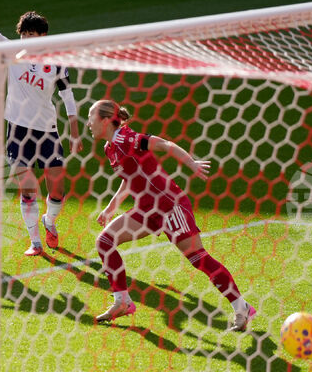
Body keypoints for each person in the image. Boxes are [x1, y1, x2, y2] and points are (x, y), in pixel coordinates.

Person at [86, 99, 257, 330]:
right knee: (105, 241)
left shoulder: (129, 138)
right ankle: (122, 301)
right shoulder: (110, 148)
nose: (88, 123)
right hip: (147, 209)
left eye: (91, 117)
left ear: (105, 120)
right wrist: (112, 207)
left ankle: (241, 307)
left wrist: (191, 163)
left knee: (198, 257)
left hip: (169, 204)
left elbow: (165, 144)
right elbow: (129, 177)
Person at [0, 0, 81, 257]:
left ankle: (49, 221)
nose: (27, 38)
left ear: (43, 36)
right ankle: (35, 241)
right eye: (24, 34)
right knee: (27, 187)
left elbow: (68, 97)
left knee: (57, 189)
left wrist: (74, 135)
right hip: (18, 130)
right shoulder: (12, 53)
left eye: (33, 35)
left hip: (47, 131)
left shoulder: (56, 63)